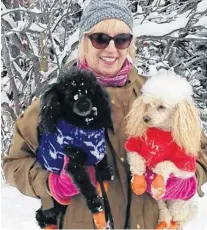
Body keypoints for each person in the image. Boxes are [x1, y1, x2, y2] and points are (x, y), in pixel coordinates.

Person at [2, 0, 207, 229]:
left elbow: (201, 150)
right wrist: (50, 184)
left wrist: (189, 179)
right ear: (84, 41)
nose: (111, 49)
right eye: (100, 38)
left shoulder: (157, 95)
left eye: (121, 39)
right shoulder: (57, 98)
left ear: (130, 44)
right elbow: (14, 163)